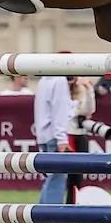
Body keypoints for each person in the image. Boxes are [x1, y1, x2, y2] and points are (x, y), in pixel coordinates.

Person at [33, 69, 74, 207]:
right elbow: (60, 110)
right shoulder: (60, 81)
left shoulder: (43, 80)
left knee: (51, 176)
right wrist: (62, 139)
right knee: (57, 177)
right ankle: (51, 216)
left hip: (43, 134)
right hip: (54, 134)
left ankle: (42, 214)